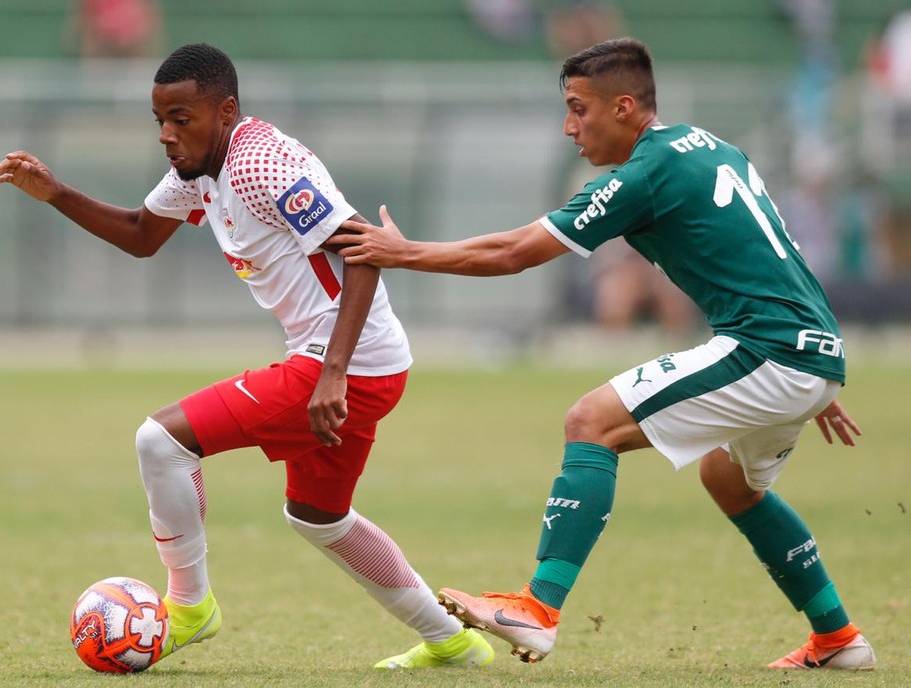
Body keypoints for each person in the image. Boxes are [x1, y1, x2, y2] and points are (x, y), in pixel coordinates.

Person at [330, 37, 875, 671]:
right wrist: (820, 371)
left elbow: (515, 252)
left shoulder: (645, 173)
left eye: (577, 109)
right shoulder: (709, 146)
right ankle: (838, 640)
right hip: (806, 350)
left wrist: (406, 252)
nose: (569, 128)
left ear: (624, 107)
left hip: (772, 350)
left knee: (591, 422)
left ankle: (537, 610)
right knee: (729, 479)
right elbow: (777, 252)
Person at [0, 43, 493, 670]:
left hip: (345, 364)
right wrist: (56, 192)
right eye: (160, 122)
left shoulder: (261, 164)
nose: (168, 136)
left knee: (159, 441)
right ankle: (452, 642)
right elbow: (142, 236)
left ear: (224, 110)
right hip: (361, 363)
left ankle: (191, 607)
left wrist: (332, 372)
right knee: (317, 515)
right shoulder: (198, 171)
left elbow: (364, 248)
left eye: (182, 118)